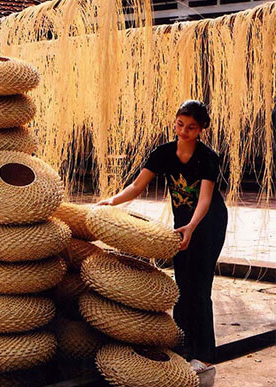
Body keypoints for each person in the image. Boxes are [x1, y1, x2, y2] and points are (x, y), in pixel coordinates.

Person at [97, 100, 228, 363]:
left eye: (191, 127)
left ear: (202, 128)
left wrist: (192, 226)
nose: (183, 131)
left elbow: (204, 199)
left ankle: (204, 356)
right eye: (180, 124)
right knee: (182, 285)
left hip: (208, 223)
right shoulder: (163, 153)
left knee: (200, 287)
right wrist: (112, 200)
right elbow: (136, 186)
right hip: (182, 224)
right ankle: (181, 347)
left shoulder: (208, 157)